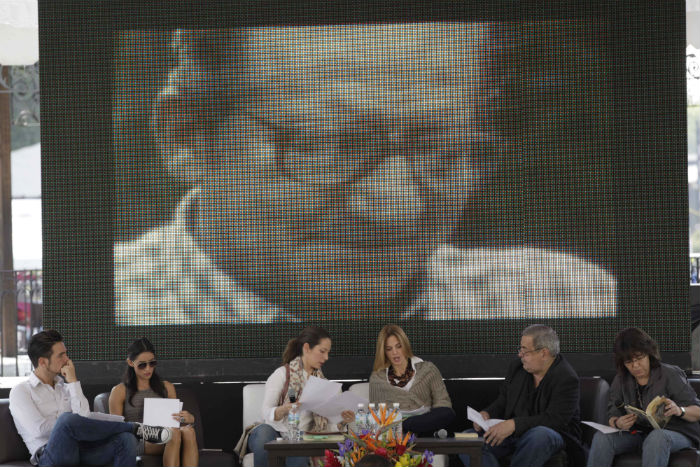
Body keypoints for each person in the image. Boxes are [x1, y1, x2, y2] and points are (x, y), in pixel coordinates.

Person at [114, 24, 617, 325]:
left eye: (441, 152)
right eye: (329, 143)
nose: (395, 207)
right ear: (186, 135)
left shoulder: (565, 299)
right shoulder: (117, 307)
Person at [9, 330, 173, 466]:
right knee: (66, 420)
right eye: (61, 355)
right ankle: (134, 427)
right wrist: (72, 423)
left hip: (81, 449)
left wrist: (73, 382)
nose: (67, 360)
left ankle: (130, 430)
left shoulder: (66, 387)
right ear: (43, 362)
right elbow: (39, 430)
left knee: (126, 440)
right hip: (50, 457)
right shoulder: (21, 392)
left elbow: (84, 415)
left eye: (66, 354)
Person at [459, 324, 583, 467]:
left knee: (539, 435)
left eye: (525, 351)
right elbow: (504, 400)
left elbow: (554, 420)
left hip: (553, 435)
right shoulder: (517, 368)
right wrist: (487, 413)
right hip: (515, 434)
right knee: (468, 439)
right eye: (520, 350)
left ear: (543, 353)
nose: (520, 355)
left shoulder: (566, 378)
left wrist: (513, 425)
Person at [234, 326, 355, 467]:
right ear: (307, 348)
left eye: (328, 353)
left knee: (298, 450)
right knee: (264, 436)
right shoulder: (281, 374)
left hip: (300, 435)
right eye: (322, 352)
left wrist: (343, 420)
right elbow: (266, 412)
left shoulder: (325, 385)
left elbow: (329, 426)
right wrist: (284, 409)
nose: (326, 357)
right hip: (274, 430)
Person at [587, 327, 700, 467]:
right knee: (602, 438)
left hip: (676, 433)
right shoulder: (621, 379)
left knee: (657, 437)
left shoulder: (669, 374)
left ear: (649, 354)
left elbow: (697, 411)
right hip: (638, 433)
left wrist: (680, 410)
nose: (635, 366)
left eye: (639, 358)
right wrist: (618, 423)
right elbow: (612, 415)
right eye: (629, 362)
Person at [109, 337, 199, 467]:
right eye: (142, 365)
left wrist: (188, 419)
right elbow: (116, 429)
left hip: (168, 434)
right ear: (130, 362)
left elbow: (174, 421)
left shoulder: (167, 387)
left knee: (189, 432)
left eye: (152, 363)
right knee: (173, 434)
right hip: (139, 439)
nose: (148, 369)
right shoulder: (120, 390)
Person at [369, 324, 455, 436]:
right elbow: (375, 414)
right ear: (384, 352)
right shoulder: (377, 378)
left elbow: (442, 403)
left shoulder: (428, 369)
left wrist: (416, 419)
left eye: (398, 346)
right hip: (394, 426)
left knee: (447, 413)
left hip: (424, 420)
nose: (395, 352)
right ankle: (406, 428)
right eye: (389, 349)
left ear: (405, 346)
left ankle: (405, 426)